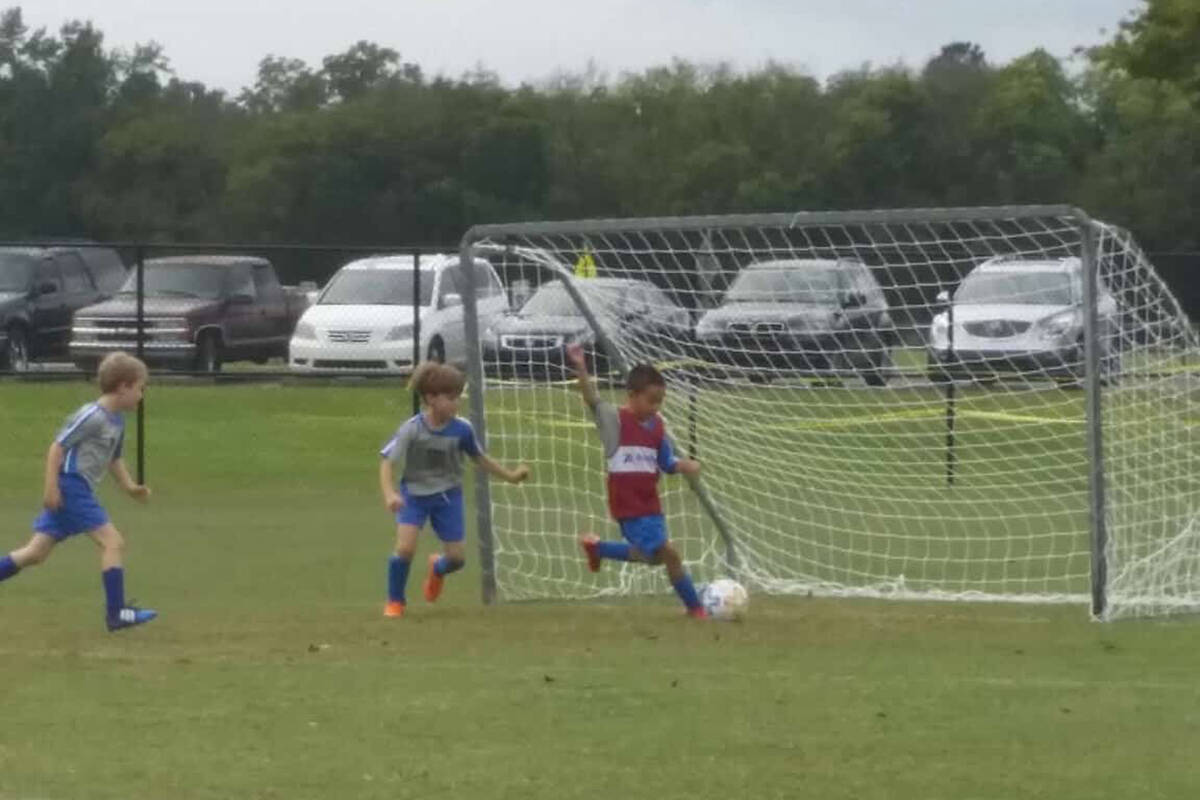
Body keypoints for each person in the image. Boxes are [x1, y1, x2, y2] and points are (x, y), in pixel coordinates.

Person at [0, 351, 157, 631]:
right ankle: (116, 614)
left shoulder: (117, 421)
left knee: (34, 553)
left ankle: (117, 613)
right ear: (123, 386)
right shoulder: (92, 416)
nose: (141, 396)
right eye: (140, 388)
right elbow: (57, 448)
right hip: (71, 487)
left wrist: (131, 488)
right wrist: (50, 489)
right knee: (113, 542)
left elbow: (113, 459)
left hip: (77, 490)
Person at [565, 344, 707, 617]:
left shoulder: (657, 427)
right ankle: (697, 609)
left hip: (651, 506)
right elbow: (592, 399)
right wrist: (581, 367)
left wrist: (685, 464)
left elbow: (666, 463)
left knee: (653, 557)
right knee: (670, 554)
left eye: (660, 401)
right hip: (628, 506)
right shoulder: (615, 422)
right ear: (632, 395)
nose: (656, 407)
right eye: (651, 400)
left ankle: (597, 548)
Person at [379, 362, 530, 617]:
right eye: (450, 398)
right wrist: (390, 493)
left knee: (458, 559)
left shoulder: (463, 429)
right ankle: (395, 601)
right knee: (404, 549)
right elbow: (387, 462)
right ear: (430, 399)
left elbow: (480, 459)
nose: (456, 403)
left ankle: (438, 567)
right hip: (414, 496)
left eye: (457, 397)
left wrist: (511, 476)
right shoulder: (412, 429)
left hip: (448, 497)